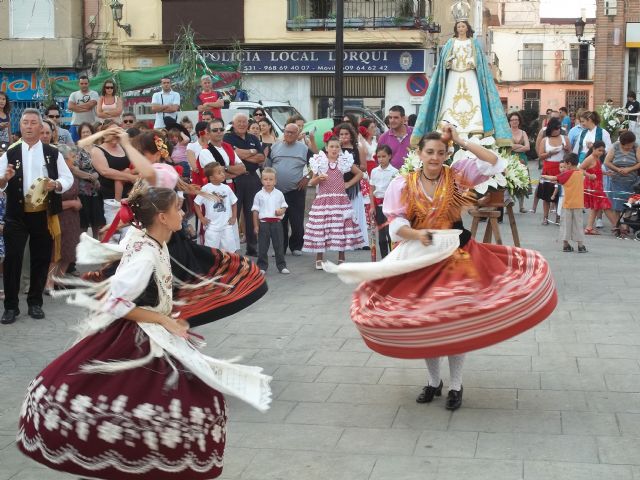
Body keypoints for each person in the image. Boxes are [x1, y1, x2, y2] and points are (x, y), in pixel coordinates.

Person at [16, 179, 272, 478]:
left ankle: (146, 462)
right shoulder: (145, 253)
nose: (183, 212)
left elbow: (131, 238)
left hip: (154, 329)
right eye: (178, 208)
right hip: (138, 335)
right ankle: (140, 462)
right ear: (162, 217)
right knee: (161, 403)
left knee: (183, 401)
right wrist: (164, 319)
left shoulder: (148, 238)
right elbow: (116, 302)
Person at [324, 124, 557, 411]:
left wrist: (461, 141)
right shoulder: (403, 183)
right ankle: (434, 382)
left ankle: (456, 385)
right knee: (427, 320)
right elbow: (396, 224)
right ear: (419, 154)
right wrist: (417, 235)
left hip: (456, 256)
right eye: (430, 152)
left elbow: (495, 163)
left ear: (447, 154)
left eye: (441, 152)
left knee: (454, 320)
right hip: (420, 257)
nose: (435, 157)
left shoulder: (457, 173)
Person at [0, 109, 74, 324]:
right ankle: (11, 307)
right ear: (20, 125)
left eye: (34, 122)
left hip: (43, 214)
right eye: (25, 122)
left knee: (41, 259)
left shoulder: (52, 152)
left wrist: (57, 184)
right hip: (17, 214)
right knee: (13, 260)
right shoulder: (10, 153)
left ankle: (35, 303)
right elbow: (0, 182)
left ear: (41, 127)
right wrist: (4, 179)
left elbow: (67, 178)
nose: (29, 126)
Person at [411, 18, 511, 147]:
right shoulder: (450, 43)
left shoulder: (473, 43)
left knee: (473, 99)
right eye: (459, 27)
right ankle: (446, 124)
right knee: (450, 98)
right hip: (454, 74)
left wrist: (472, 61)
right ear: (456, 29)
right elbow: (443, 61)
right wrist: (449, 61)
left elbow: (480, 62)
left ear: (467, 28)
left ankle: (475, 127)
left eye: (463, 26)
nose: (461, 29)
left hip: (470, 75)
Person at [303, 135, 365, 268]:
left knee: (340, 227)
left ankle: (341, 258)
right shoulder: (320, 161)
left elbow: (360, 174)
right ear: (326, 148)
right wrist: (318, 178)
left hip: (340, 200)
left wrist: (348, 183)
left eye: (337, 146)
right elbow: (311, 182)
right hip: (323, 200)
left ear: (340, 148)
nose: (334, 149)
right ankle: (319, 258)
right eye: (331, 146)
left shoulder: (344, 161)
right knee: (322, 228)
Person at [224, 113, 265, 256]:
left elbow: (261, 158)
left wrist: (243, 154)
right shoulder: (227, 137)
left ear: (248, 124)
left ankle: (252, 247)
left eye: (244, 122)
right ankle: (232, 249)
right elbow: (233, 155)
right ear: (233, 124)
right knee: (233, 213)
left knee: (251, 213)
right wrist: (252, 152)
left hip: (252, 179)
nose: (242, 124)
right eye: (239, 122)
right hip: (235, 178)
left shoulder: (253, 137)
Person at [267, 123, 310, 256]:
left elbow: (316, 164)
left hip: (296, 190)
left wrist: (307, 177)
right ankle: (280, 247)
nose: (289, 135)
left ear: (298, 135)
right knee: (279, 221)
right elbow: (267, 167)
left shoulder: (304, 148)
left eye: (292, 132)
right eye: (287, 132)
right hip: (277, 191)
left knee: (297, 221)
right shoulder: (274, 147)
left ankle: (296, 246)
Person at [46, 144, 82, 291]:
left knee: (69, 249)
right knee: (57, 251)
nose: (75, 160)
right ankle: (48, 283)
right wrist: (72, 203)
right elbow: (51, 203)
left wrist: (77, 202)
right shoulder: (54, 176)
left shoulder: (71, 173)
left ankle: (59, 279)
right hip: (58, 217)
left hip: (72, 217)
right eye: (72, 157)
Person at [542, 153, 594, 252]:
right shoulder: (580, 173)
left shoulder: (567, 173)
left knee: (566, 224)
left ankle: (566, 245)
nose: (564, 167)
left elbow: (555, 178)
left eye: (565, 165)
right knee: (578, 225)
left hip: (567, 204)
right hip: (578, 204)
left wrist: (544, 176)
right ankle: (581, 246)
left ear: (569, 164)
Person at [90, 126, 136, 228]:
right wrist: (129, 177)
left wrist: (130, 173)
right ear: (105, 134)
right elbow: (105, 171)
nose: (116, 135)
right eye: (112, 132)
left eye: (118, 132)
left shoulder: (125, 148)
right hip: (110, 201)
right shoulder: (97, 150)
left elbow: (134, 165)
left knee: (130, 234)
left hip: (130, 197)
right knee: (114, 234)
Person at [194, 162, 240, 252]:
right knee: (212, 252)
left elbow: (234, 203)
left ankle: (228, 265)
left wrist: (234, 217)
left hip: (226, 226)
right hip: (212, 227)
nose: (222, 174)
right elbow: (196, 203)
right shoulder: (206, 189)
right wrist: (201, 218)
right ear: (211, 177)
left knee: (230, 252)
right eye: (219, 173)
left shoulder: (227, 188)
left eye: (222, 172)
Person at [337, 122, 369, 249]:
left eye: (346, 134)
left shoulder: (357, 148)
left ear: (351, 135)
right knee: (342, 214)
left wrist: (351, 165)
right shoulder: (336, 148)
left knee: (356, 212)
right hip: (339, 184)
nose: (344, 136)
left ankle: (361, 241)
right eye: (341, 134)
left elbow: (364, 167)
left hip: (354, 183)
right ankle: (345, 241)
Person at [252, 167, 290, 275]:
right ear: (261, 180)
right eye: (265, 179)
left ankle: (281, 266)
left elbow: (284, 206)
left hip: (276, 223)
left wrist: (281, 211)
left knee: (279, 245)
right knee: (263, 246)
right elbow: (255, 211)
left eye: (270, 179)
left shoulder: (279, 194)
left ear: (275, 181)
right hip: (263, 223)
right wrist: (256, 226)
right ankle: (262, 266)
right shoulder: (258, 195)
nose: (268, 182)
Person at [604, 130, 640, 237]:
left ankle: (626, 226)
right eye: (626, 146)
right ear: (621, 143)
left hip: (631, 181)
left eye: (630, 145)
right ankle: (617, 226)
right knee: (616, 205)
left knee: (629, 204)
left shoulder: (636, 147)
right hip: (616, 180)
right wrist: (617, 169)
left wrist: (629, 169)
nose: (628, 147)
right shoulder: (615, 146)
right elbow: (607, 162)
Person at [580, 141, 619, 235]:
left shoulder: (597, 158)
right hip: (592, 186)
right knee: (605, 206)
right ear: (593, 149)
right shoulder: (590, 158)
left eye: (602, 151)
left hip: (598, 185)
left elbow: (597, 170)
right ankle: (617, 226)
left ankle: (589, 227)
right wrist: (589, 175)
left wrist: (606, 173)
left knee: (596, 207)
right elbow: (580, 169)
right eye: (599, 150)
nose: (601, 152)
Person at [536, 118, 569, 224]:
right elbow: (540, 155)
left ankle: (558, 216)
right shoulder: (545, 140)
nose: (558, 130)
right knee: (546, 195)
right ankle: (545, 217)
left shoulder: (565, 138)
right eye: (556, 128)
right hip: (549, 168)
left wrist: (566, 149)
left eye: (559, 128)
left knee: (560, 194)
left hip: (561, 168)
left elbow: (570, 154)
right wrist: (550, 153)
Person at [75, 122, 104, 239]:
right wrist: (90, 176)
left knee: (97, 221)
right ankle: (82, 245)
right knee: (83, 223)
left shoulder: (98, 149)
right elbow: (74, 170)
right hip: (82, 191)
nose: (86, 134)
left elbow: (103, 167)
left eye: (88, 132)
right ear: (80, 135)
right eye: (84, 132)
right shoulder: (77, 149)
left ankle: (96, 243)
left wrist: (97, 175)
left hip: (97, 190)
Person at [369, 144, 398, 258]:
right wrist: (372, 206)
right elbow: (372, 190)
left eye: (383, 156)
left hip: (390, 206)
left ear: (389, 156)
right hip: (378, 206)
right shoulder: (374, 171)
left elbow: (396, 191)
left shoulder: (394, 172)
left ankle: (393, 257)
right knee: (381, 237)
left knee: (389, 234)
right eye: (379, 157)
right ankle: (384, 258)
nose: (381, 159)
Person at [508, 111, 531, 213]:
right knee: (510, 182)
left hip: (522, 160)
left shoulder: (523, 133)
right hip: (510, 159)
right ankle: (508, 205)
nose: (514, 122)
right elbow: (508, 147)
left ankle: (521, 206)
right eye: (512, 120)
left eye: (516, 120)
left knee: (522, 181)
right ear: (509, 121)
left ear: (519, 121)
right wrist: (520, 147)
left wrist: (515, 148)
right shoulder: (506, 132)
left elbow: (528, 147)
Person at [68, 75, 99, 142]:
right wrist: (85, 107)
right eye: (82, 83)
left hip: (90, 125)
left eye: (85, 83)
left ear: (88, 84)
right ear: (79, 84)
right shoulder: (73, 94)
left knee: (90, 145)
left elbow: (90, 105)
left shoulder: (94, 94)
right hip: (75, 125)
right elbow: (70, 106)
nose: (84, 85)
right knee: (75, 146)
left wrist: (76, 106)